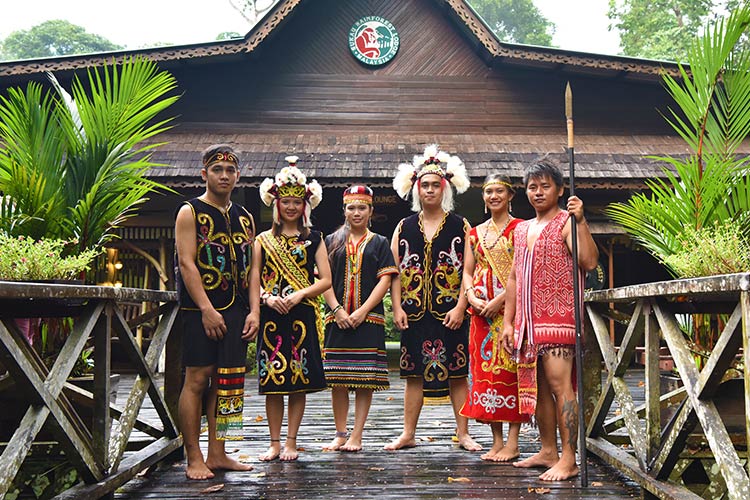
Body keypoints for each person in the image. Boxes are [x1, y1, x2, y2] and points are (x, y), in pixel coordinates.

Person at [501, 160, 599, 481]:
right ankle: (547, 451)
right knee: (539, 388)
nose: (538, 192)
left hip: (558, 318)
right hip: (528, 322)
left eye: (545, 186)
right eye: (532, 187)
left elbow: (588, 261)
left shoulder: (565, 222)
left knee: (560, 386)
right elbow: (514, 279)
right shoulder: (522, 229)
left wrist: (580, 221)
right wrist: (508, 322)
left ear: (559, 190)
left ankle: (569, 458)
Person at [384, 144, 481, 452]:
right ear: (416, 189)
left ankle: (463, 434)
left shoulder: (461, 225)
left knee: (456, 373)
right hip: (413, 312)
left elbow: (470, 271)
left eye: (434, 185)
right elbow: (394, 271)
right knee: (412, 374)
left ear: (445, 188)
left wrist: (461, 307)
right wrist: (397, 306)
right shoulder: (404, 226)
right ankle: (408, 433)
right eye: (424, 185)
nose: (429, 190)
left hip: (450, 312)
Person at [175, 144, 257, 480]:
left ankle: (219, 453)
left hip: (238, 310)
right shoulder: (189, 212)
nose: (224, 176)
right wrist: (206, 309)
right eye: (217, 170)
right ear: (204, 173)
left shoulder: (245, 216)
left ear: (237, 176)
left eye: (230, 171)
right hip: (200, 309)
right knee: (197, 378)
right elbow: (186, 263)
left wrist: (255, 311)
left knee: (230, 381)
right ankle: (193, 457)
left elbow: (253, 269)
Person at [252, 156, 332, 461]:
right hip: (272, 315)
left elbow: (325, 280)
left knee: (298, 381)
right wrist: (266, 298)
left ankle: (290, 442)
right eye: (285, 201)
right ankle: (273, 443)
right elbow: (254, 278)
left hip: (301, 314)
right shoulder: (262, 240)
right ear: (276, 204)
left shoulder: (314, 239)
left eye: (296, 202)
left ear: (304, 206)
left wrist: (299, 295)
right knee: (273, 382)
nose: (290, 207)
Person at [321, 185, 398, 452]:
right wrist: (336, 310)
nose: (356, 212)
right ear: (344, 210)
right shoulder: (330, 241)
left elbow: (385, 279)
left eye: (362, 208)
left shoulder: (380, 242)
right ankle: (340, 433)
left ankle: (357, 434)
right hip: (337, 319)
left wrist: (362, 310)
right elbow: (324, 279)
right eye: (351, 207)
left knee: (364, 379)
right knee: (338, 380)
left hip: (370, 319)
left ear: (371, 211)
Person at [460, 174, 529, 461]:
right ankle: (496, 440)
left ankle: (513, 441)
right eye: (488, 191)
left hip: (509, 311)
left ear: (510, 195)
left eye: (499, 191)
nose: (493, 196)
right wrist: (473, 298)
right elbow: (466, 270)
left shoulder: (521, 229)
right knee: (484, 375)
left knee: (511, 373)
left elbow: (521, 272)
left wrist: (499, 301)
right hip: (480, 314)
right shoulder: (474, 232)